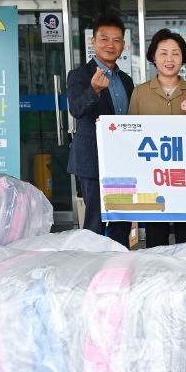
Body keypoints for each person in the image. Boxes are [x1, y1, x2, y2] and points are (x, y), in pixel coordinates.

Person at [66, 13, 133, 248]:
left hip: (122, 161)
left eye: (116, 40)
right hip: (92, 160)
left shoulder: (126, 80)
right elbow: (76, 110)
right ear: (93, 42)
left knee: (122, 219)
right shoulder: (79, 76)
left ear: (123, 45)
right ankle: (92, 265)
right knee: (95, 220)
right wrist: (93, 90)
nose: (110, 45)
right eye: (104, 39)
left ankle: (119, 262)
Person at [128, 28, 186, 247]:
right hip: (152, 175)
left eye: (175, 53)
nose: (170, 59)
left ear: (183, 58)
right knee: (156, 233)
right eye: (163, 53)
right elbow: (129, 134)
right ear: (153, 57)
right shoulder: (140, 92)